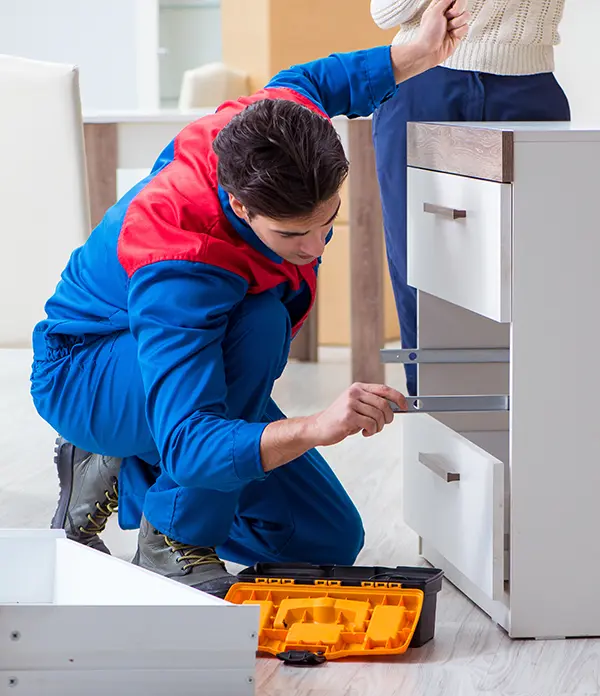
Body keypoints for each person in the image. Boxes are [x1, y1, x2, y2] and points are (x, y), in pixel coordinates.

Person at [30, 0, 469, 598]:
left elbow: (312, 81)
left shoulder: (275, 127)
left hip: (176, 362)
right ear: (240, 206)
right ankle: (172, 536)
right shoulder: (180, 261)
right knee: (257, 323)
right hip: (87, 368)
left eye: (326, 222)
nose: (314, 247)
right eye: (292, 234)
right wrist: (318, 425)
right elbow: (190, 438)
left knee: (323, 539)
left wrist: (417, 52)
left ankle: (122, 459)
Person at [371, 0, 570, 396]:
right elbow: (386, 12)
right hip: (421, 78)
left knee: (534, 273)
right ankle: (435, 418)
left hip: (526, 87)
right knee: (419, 264)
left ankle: (537, 426)